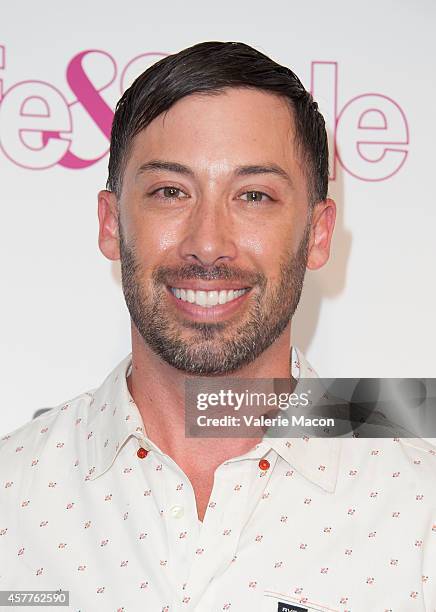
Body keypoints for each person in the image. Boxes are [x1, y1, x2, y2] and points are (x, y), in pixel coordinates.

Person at [0, 41, 435, 612]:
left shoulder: (420, 509)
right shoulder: (11, 496)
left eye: (254, 196)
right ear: (110, 224)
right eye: (170, 192)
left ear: (319, 234)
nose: (207, 243)